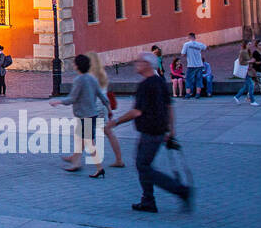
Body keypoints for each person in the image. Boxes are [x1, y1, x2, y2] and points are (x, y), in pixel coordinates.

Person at [107, 52, 193, 213]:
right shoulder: (160, 82)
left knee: (144, 166)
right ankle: (148, 200)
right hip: (158, 130)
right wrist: (171, 130)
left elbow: (136, 112)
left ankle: (180, 190)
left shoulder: (146, 85)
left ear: (147, 64)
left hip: (150, 131)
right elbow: (169, 107)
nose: (136, 63)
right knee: (142, 164)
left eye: (139, 61)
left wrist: (115, 122)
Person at [51, 53, 106, 176]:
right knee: (81, 138)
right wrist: (109, 107)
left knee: (89, 142)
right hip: (92, 114)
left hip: (84, 115)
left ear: (77, 66)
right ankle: (75, 160)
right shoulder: (92, 79)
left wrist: (59, 101)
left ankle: (99, 167)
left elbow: (73, 98)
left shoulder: (79, 80)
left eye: (74, 63)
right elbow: (101, 95)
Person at [89, 51, 124, 170]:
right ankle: (119, 159)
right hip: (103, 106)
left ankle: (94, 164)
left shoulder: (91, 75)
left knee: (86, 134)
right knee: (107, 132)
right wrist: (109, 109)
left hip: (95, 106)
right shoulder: (102, 73)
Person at [180, 33, 207, 98]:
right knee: (199, 79)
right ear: (195, 37)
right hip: (199, 64)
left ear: (189, 37)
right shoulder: (199, 44)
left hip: (191, 65)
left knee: (189, 80)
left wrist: (188, 54)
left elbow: (183, 54)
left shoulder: (186, 44)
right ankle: (197, 94)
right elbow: (205, 47)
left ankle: (188, 94)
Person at [234, 40, 259, 106]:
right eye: (249, 44)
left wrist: (251, 60)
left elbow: (248, 59)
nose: (250, 46)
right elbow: (241, 62)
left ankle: (237, 97)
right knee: (251, 85)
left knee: (246, 86)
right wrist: (250, 62)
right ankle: (252, 101)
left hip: (247, 70)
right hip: (245, 71)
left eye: (250, 44)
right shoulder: (243, 52)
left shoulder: (247, 51)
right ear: (245, 44)